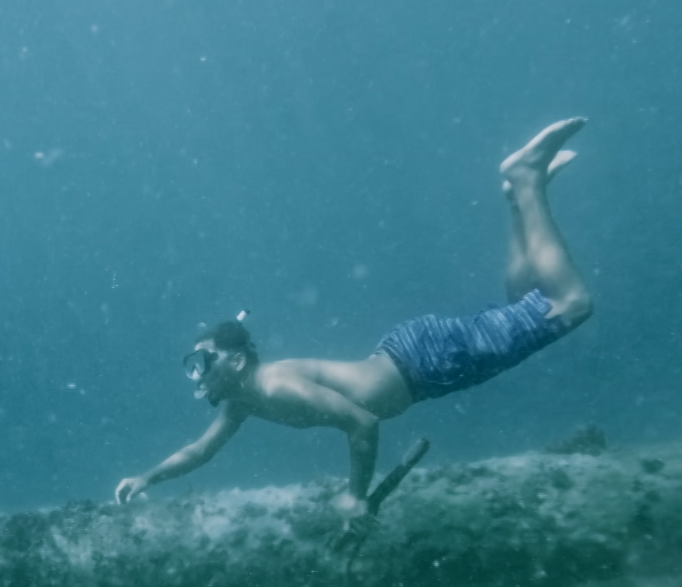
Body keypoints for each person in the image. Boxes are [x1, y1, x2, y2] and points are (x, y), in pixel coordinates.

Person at [114, 118, 594, 523]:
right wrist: (146, 478)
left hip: (424, 362)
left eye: (204, 361)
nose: (197, 373)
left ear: (237, 362)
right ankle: (519, 199)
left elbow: (362, 423)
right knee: (526, 303)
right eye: (193, 364)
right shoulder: (245, 402)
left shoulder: (276, 387)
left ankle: (527, 181)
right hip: (417, 361)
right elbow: (200, 451)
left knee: (568, 305)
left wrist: (355, 494)